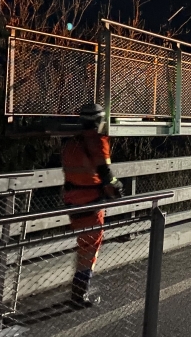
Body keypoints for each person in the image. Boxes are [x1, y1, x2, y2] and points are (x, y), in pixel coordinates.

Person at [62, 103, 123, 307]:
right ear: (98, 121)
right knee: (90, 247)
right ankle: (79, 294)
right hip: (91, 202)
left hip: (73, 202)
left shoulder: (71, 143)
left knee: (84, 245)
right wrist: (117, 187)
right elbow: (105, 174)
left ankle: (78, 291)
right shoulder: (97, 141)